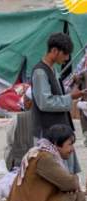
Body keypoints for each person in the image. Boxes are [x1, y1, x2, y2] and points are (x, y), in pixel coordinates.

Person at [31, 32, 86, 174]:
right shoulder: (40, 72)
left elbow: (57, 95)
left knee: (67, 171)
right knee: (55, 173)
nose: (67, 58)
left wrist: (74, 91)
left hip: (60, 130)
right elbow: (45, 102)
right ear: (54, 51)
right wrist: (70, 98)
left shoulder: (52, 70)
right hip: (48, 131)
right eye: (65, 54)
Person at [4, 87, 34, 171]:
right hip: (46, 165)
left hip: (22, 165)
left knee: (10, 147)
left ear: (29, 102)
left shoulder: (18, 119)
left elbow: (10, 141)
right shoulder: (53, 117)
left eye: (24, 100)